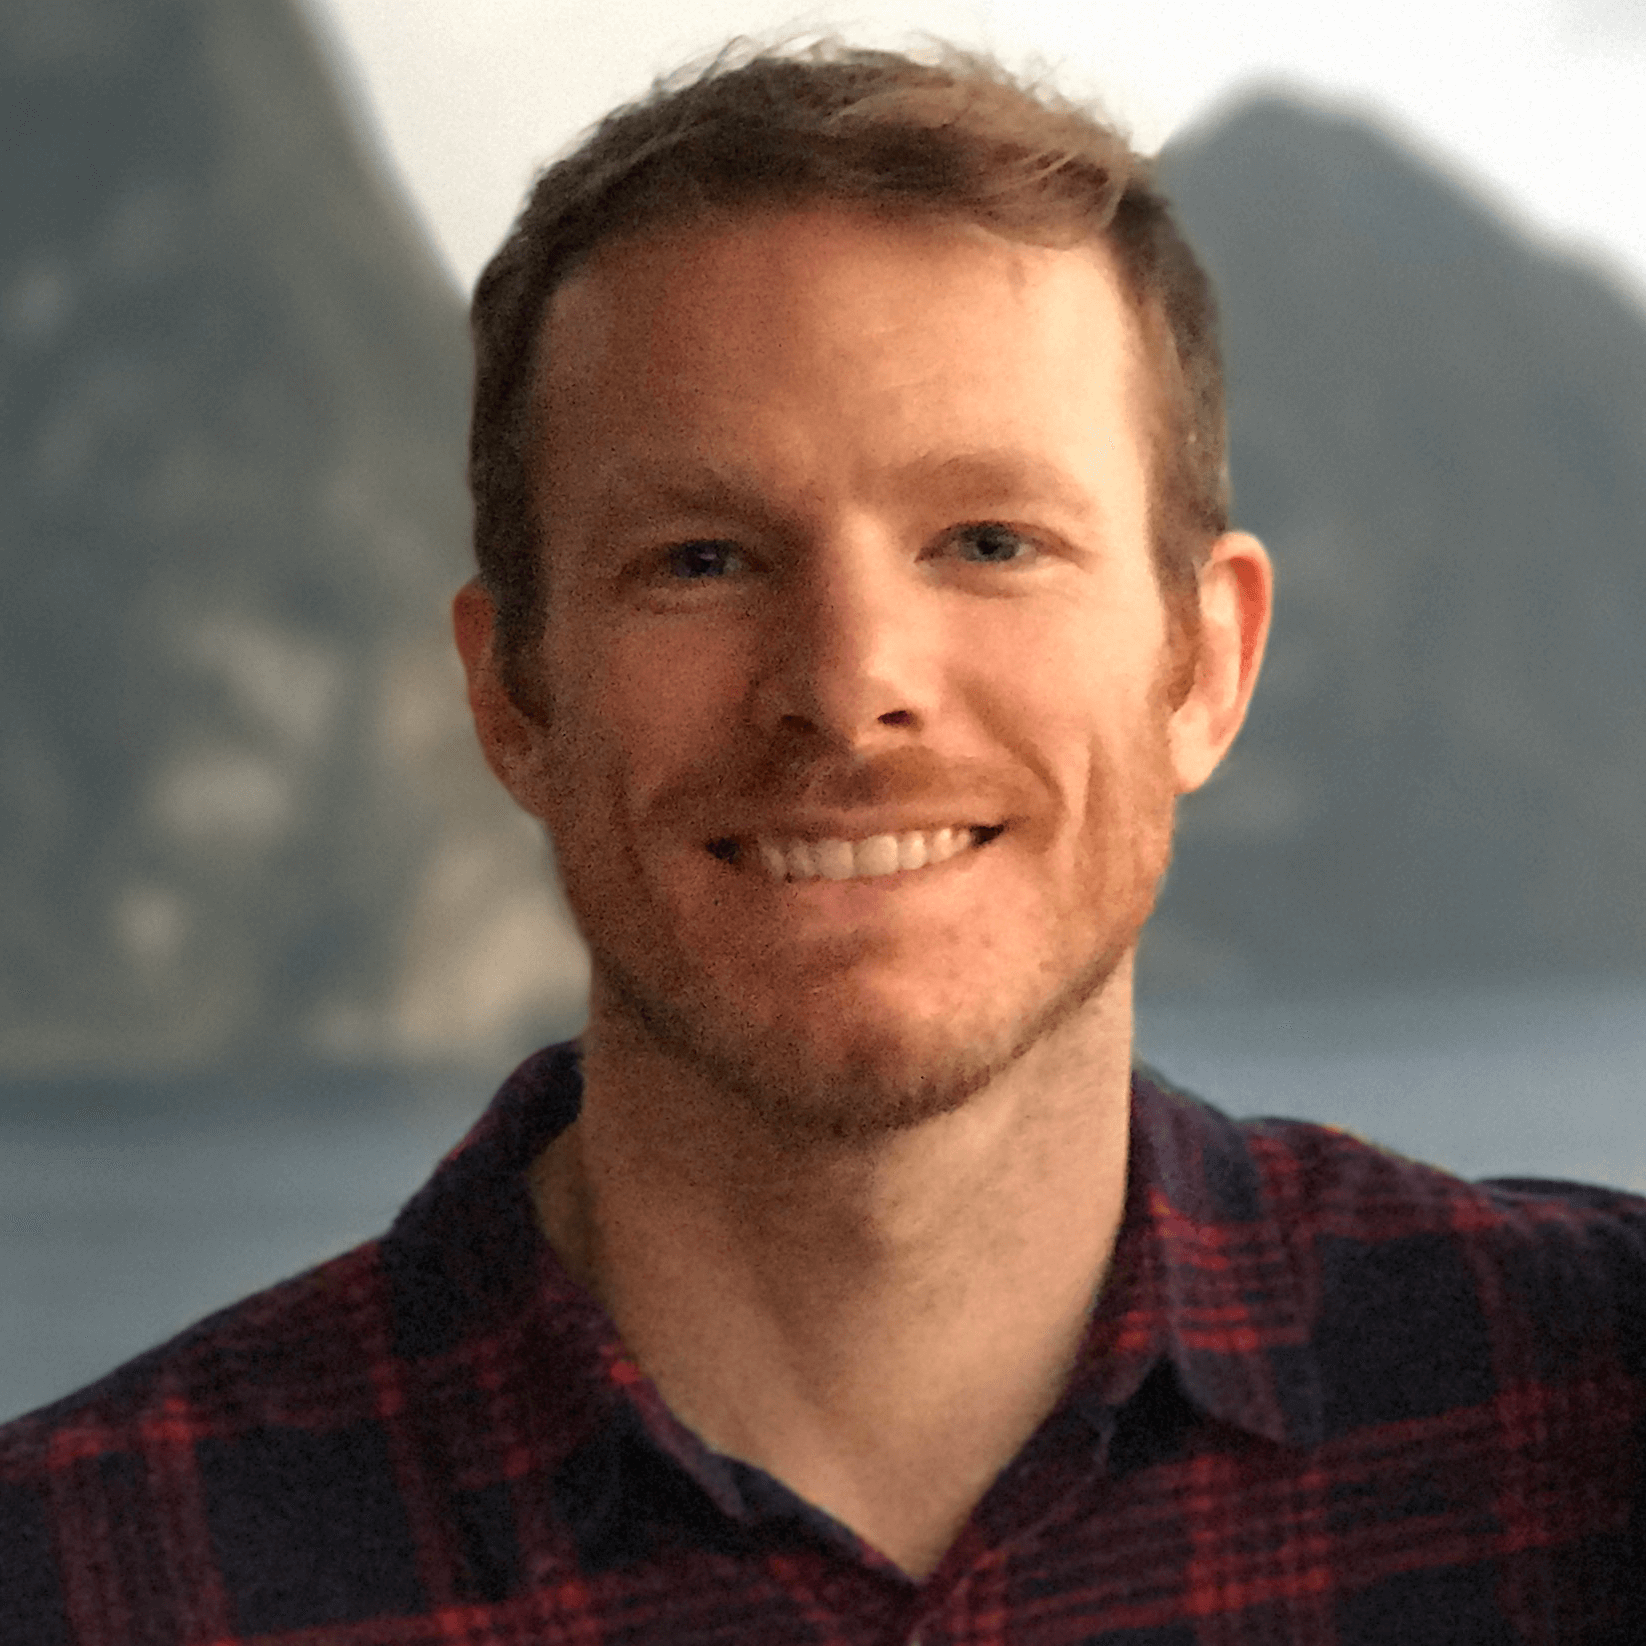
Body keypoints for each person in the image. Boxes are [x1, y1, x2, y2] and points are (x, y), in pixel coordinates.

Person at [2, 38, 1642, 1645]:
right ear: (511, 695)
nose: (851, 688)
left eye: (988, 540)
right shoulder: (78, 1577)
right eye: (701, 558)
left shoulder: (1584, 1405)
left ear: (1204, 663)